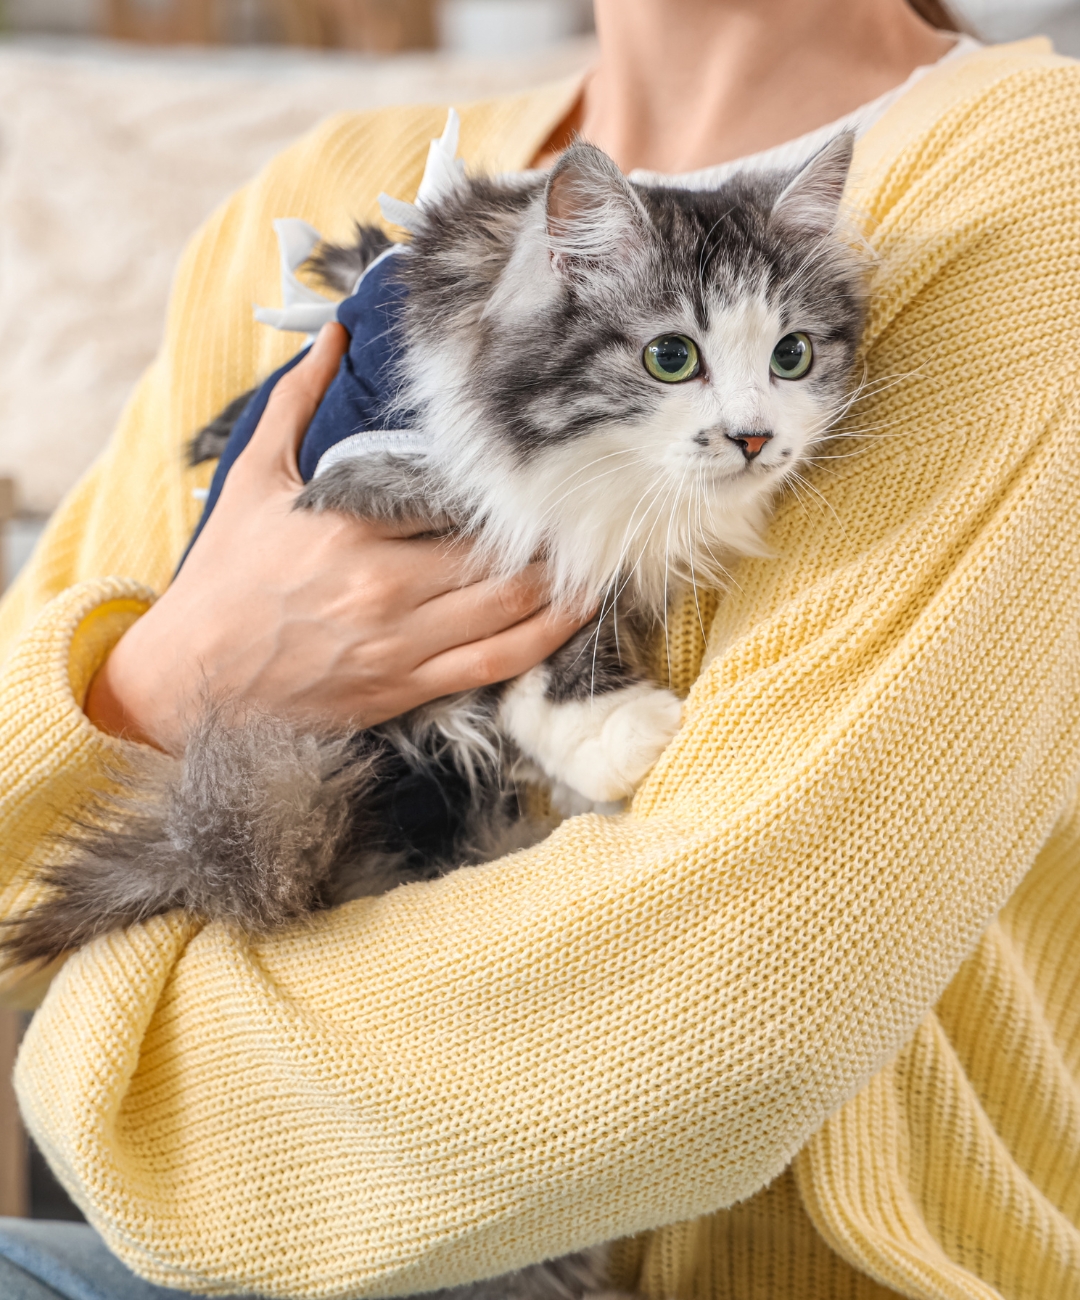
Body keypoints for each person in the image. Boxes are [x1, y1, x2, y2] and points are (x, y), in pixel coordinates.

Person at [1, 1, 1078, 1297]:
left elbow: (733, 1010)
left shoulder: (1023, 203)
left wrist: (121, 1081)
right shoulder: (333, 185)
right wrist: (172, 678)